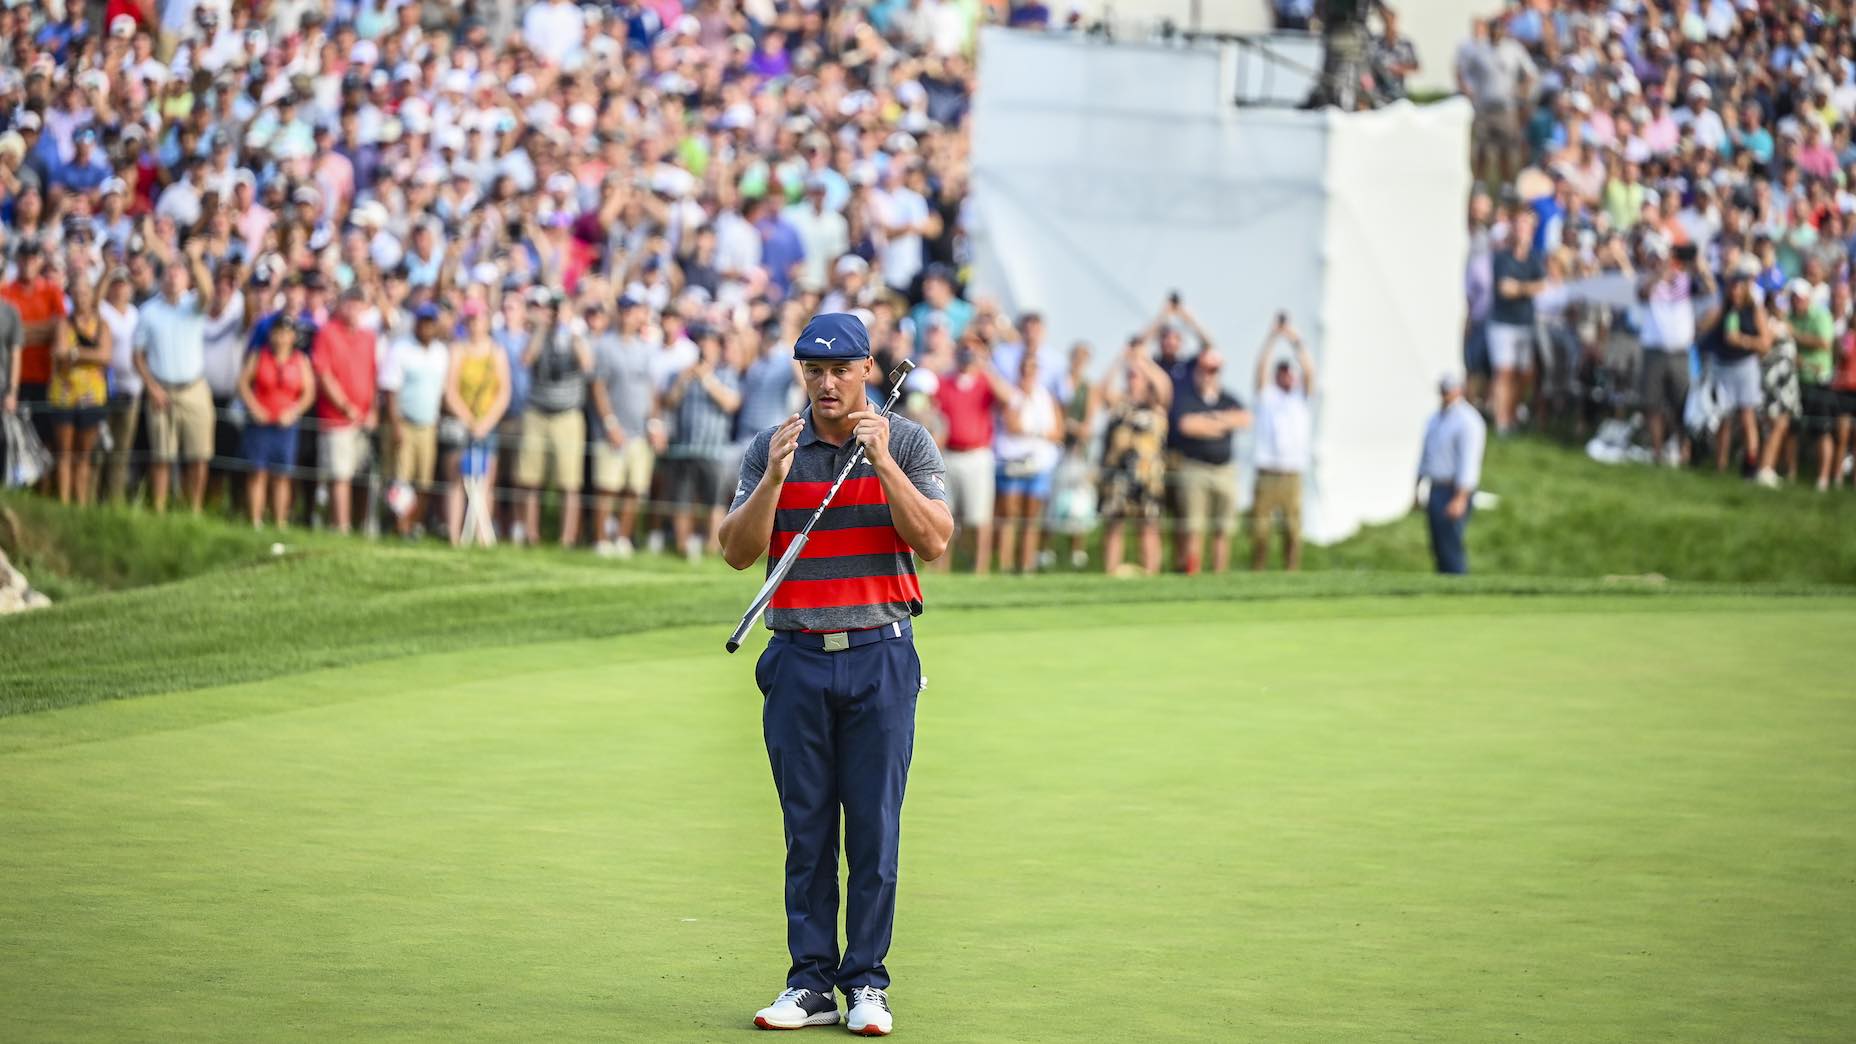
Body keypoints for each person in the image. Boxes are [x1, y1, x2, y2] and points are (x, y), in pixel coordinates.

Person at [718, 312, 951, 1038]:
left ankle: (868, 983)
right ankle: (811, 983)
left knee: (874, 832)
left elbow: (934, 539)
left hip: (881, 654)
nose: (826, 384)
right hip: (797, 660)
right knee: (808, 831)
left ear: (866, 371)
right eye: (814, 371)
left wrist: (882, 465)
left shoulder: (906, 441)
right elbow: (736, 551)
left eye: (841, 370)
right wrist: (774, 480)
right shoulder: (773, 446)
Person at [132, 239, 216, 513]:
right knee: (161, 456)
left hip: (193, 389)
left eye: (179, 271)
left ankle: (194, 511)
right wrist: (152, 387)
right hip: (161, 390)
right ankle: (158, 510)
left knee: (198, 455)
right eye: (169, 270)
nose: (173, 275)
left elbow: (208, 293)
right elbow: (138, 356)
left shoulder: (193, 305)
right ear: (161, 276)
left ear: (187, 278)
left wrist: (196, 260)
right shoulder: (148, 311)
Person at [931, 332, 1015, 572]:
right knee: (945, 515)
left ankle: (980, 569)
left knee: (980, 519)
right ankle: (941, 568)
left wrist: (985, 365)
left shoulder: (985, 381)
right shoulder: (944, 382)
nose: (967, 354)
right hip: (949, 455)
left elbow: (1008, 398)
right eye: (964, 349)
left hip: (977, 456)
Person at [588, 296, 665, 557]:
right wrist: (610, 424)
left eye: (634, 311)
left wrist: (654, 424)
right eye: (626, 311)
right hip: (613, 430)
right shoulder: (605, 346)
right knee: (607, 487)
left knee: (635, 488)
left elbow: (651, 391)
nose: (630, 316)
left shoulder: (646, 349)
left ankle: (622, 539)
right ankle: (601, 540)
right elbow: (598, 388)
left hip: (640, 431)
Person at [516, 291, 594, 548]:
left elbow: (587, 364)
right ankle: (530, 534)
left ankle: (567, 538)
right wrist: (542, 327)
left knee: (569, 482)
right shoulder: (536, 334)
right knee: (530, 479)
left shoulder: (576, 335)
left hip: (567, 414)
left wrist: (569, 328)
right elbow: (527, 359)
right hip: (537, 412)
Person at [1168, 349, 1251, 574]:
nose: (1208, 375)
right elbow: (1187, 425)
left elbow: (1245, 419)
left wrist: (1210, 420)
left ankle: (1219, 576)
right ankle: (1193, 574)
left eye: (1213, 370)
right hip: (1195, 468)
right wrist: (1224, 422)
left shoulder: (1228, 397)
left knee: (1223, 528)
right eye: (1205, 369)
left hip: (1225, 470)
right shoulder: (1186, 397)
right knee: (1194, 528)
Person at [663, 326, 742, 560]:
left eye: (709, 343)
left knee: (714, 502)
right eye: (701, 342)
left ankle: (711, 548)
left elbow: (731, 403)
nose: (705, 347)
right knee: (682, 501)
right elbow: (670, 402)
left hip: (713, 449)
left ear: (717, 348)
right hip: (684, 447)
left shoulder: (726, 374)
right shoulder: (680, 373)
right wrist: (684, 379)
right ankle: (682, 549)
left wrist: (706, 378)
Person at [1098, 340, 1173, 576]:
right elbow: (1101, 390)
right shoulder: (1119, 404)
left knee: (1148, 527)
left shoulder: (1155, 406)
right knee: (1114, 526)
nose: (1133, 379)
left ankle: (1150, 573)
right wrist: (1121, 359)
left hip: (1147, 475)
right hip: (1117, 475)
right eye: (1130, 375)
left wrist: (1144, 361)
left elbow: (1165, 387)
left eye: (1136, 376)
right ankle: (1110, 573)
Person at [312, 287, 380, 534]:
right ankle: (340, 527)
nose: (354, 309)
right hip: (336, 419)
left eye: (358, 304)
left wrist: (373, 411)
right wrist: (345, 406)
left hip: (364, 420)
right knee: (339, 475)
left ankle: (361, 527)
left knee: (361, 476)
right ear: (341, 305)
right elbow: (324, 374)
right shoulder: (327, 333)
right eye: (349, 303)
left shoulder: (368, 337)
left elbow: (373, 375)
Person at [443, 303, 512, 548]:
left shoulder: (496, 352)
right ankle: (454, 536)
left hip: (487, 424)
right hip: (462, 424)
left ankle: (483, 535)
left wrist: (485, 423)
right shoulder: (458, 350)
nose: (475, 324)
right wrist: (469, 421)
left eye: (478, 319)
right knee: (456, 479)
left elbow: (503, 392)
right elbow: (450, 391)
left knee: (485, 481)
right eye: (471, 319)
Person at [235, 319, 316, 527]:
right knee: (257, 472)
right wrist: (254, 408)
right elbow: (243, 383)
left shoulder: (300, 360)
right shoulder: (258, 355)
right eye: (278, 333)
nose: (281, 338)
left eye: (286, 333)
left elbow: (309, 392)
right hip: (260, 424)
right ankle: (255, 521)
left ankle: (280, 522)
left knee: (283, 475)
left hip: (286, 426)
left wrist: (294, 412)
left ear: (293, 337)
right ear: (271, 335)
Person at [1250, 315, 1315, 571]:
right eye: (1283, 373)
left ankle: (1291, 571)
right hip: (1267, 472)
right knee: (1260, 530)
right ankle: (1258, 571)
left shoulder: (1301, 398)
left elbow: (1309, 371)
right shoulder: (1268, 397)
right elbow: (1261, 368)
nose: (1287, 377)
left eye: (1290, 373)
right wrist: (1273, 337)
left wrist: (1294, 338)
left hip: (1292, 473)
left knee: (1292, 530)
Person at [381, 303, 451, 535]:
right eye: (423, 323)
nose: (426, 328)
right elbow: (391, 391)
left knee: (424, 480)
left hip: (428, 425)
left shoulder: (441, 353)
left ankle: (415, 524)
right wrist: (396, 424)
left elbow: (443, 392)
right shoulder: (401, 349)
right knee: (401, 478)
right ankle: (400, 526)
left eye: (430, 323)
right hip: (404, 422)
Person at [992, 351, 1063, 573]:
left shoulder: (1046, 398)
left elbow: (1057, 432)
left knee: (1031, 517)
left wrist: (1032, 431)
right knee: (1008, 515)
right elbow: (1012, 424)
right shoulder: (1012, 395)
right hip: (1011, 463)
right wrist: (1038, 431)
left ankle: (1026, 565)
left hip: (1038, 464)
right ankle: (1005, 565)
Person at [45, 274, 111, 505]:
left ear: (92, 295)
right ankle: (64, 503)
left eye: (85, 292)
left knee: (84, 454)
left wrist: (75, 353)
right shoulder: (63, 323)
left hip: (92, 397)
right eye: (77, 293)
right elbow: (60, 352)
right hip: (64, 395)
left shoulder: (102, 325)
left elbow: (105, 356)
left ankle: (81, 504)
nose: (81, 298)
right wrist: (88, 355)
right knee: (64, 452)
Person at [1416, 372, 1487, 575]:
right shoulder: (1435, 418)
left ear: (1458, 390)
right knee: (1438, 546)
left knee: (1450, 545)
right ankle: (1443, 587)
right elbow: (1426, 456)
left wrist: (1460, 497)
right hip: (1435, 488)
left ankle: (1457, 588)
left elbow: (1468, 463)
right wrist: (1417, 487)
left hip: (1453, 490)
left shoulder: (1468, 420)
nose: (1445, 394)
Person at [1712, 275, 1774, 478]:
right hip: (1723, 365)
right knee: (1724, 416)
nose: (1735, 292)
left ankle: (1750, 464)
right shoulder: (1725, 309)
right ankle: (1720, 464)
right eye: (1732, 288)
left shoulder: (1754, 310)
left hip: (1745, 366)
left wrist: (1742, 340)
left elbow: (1765, 343)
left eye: (1739, 288)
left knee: (1747, 416)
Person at [1489, 207, 1544, 434]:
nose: (1522, 229)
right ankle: (1501, 421)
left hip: (1525, 323)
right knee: (1504, 371)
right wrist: (1528, 288)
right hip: (1502, 322)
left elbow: (1543, 287)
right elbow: (1504, 289)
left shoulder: (1535, 258)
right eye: (1519, 224)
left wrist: (1519, 288)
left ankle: (1511, 415)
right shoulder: (1502, 257)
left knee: (1524, 373)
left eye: (1526, 225)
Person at [99, 269, 142, 504]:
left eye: (123, 284)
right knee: (100, 446)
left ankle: (114, 500)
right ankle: (93, 498)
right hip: (105, 389)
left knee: (122, 448)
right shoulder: (102, 309)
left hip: (132, 389)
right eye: (115, 284)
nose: (119, 289)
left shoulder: (136, 313)